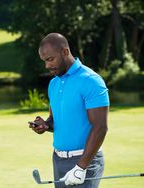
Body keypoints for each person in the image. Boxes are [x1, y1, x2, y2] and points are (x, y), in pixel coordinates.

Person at [28, 33, 109, 188]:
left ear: (65, 52)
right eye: (44, 61)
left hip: (85, 161)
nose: (47, 66)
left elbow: (100, 127)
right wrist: (45, 125)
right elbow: (55, 120)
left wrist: (81, 166)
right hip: (58, 160)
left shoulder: (91, 80)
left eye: (50, 59)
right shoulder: (53, 84)